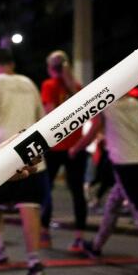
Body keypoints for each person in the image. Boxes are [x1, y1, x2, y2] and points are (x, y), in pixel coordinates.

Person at [71, 89, 138, 273]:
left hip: (123, 162)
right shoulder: (136, 104)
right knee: (113, 204)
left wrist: (75, 148)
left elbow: (93, 131)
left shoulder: (105, 106)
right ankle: (96, 246)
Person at [0, 47, 48, 275]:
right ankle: (34, 260)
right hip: (30, 150)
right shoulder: (29, 83)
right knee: (29, 206)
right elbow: (41, 116)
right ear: (12, 64)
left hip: (3, 153)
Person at [39, 50, 88, 252]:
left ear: (51, 68)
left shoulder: (49, 85)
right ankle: (79, 238)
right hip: (75, 146)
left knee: (46, 190)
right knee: (77, 192)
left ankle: (44, 234)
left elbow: (50, 114)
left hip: (54, 145)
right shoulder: (77, 87)